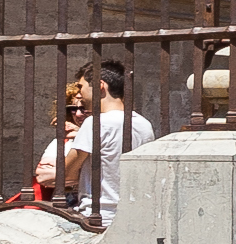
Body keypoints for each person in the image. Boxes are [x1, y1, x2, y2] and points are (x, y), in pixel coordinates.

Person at [35, 64, 155, 228]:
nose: (79, 94)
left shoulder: (95, 123)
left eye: (81, 87)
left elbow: (65, 174)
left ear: (99, 86)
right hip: (132, 216)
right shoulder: (144, 124)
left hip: (95, 217)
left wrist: (69, 170)